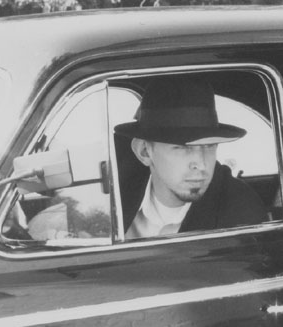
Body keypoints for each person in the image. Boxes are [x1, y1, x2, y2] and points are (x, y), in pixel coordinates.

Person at [114, 75, 267, 238]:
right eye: (183, 147)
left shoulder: (240, 212)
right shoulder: (115, 189)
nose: (201, 164)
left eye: (209, 146)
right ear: (144, 152)